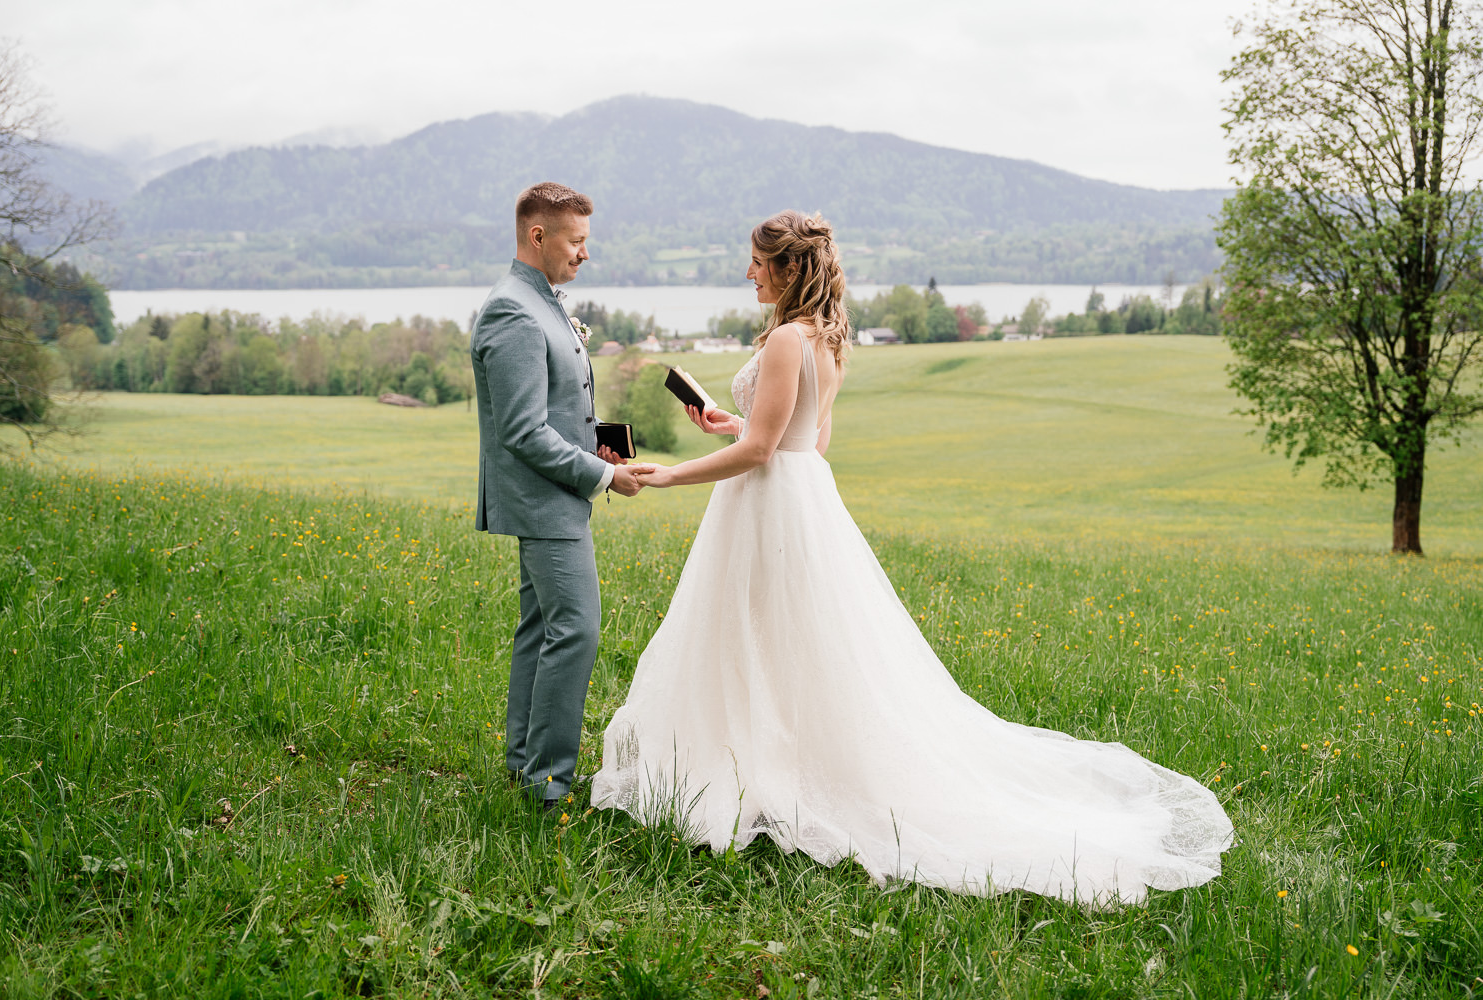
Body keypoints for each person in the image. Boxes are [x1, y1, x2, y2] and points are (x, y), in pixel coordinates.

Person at [590, 210, 1234, 905]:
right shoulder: (829, 340)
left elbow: (761, 452)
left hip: (769, 499)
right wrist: (731, 420)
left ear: (787, 267)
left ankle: (767, 767)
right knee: (801, 642)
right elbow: (803, 438)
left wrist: (669, 474)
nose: (749, 273)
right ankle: (785, 756)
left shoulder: (783, 339)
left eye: (757, 262)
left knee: (757, 635)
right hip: (804, 499)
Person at [471, 181, 648, 811]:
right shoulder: (512, 311)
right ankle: (549, 786)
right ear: (537, 236)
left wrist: (596, 445)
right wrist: (604, 477)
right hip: (544, 502)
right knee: (576, 631)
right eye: (576, 242)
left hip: (558, 492)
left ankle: (526, 769)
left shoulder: (540, 301)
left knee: (541, 629)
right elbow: (521, 431)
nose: (584, 254)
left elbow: (555, 408)